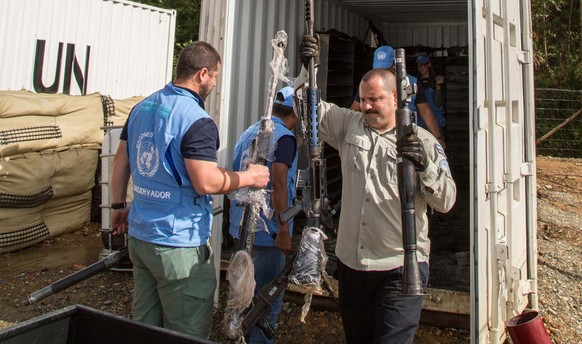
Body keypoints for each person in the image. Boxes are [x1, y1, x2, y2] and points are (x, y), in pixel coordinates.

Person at [299, 35, 456, 344]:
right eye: (363, 99)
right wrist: (309, 69)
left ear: (395, 98)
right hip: (352, 266)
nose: (366, 106)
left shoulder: (422, 141)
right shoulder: (349, 125)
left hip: (400, 268)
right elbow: (308, 108)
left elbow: (447, 201)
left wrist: (424, 165)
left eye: (375, 99)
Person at [109, 41, 270, 339]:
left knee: (145, 326)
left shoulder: (143, 107)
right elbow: (206, 181)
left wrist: (117, 207)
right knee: (187, 331)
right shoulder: (196, 120)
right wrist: (249, 177)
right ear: (202, 74)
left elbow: (121, 161)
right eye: (215, 77)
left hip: (142, 237)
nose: (214, 83)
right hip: (178, 245)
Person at [228, 85, 298, 344]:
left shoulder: (250, 130)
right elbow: (279, 182)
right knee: (265, 301)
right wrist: (283, 231)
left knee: (244, 295)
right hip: (268, 233)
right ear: (296, 110)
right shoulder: (285, 138)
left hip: (241, 227)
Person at [351, 46, 446, 149]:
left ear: (395, 65)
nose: (381, 73)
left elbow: (425, 112)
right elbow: (354, 111)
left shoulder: (411, 83)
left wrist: (438, 138)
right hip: (376, 139)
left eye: (385, 69)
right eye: (377, 69)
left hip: (406, 140)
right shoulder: (368, 84)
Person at [416, 54, 446, 138]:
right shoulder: (415, 82)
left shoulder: (437, 81)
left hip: (436, 122)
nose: (421, 68)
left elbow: (438, 102)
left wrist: (438, 87)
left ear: (429, 65)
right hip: (421, 123)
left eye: (423, 65)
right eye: (419, 65)